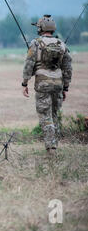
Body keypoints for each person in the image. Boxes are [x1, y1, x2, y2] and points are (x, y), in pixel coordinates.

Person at [22, 15, 73, 156]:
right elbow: (68, 68)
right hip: (58, 85)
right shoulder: (62, 44)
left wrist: (24, 83)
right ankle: (54, 144)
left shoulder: (35, 44)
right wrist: (66, 87)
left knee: (45, 116)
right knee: (54, 115)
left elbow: (29, 65)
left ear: (40, 28)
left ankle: (51, 149)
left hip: (42, 85)